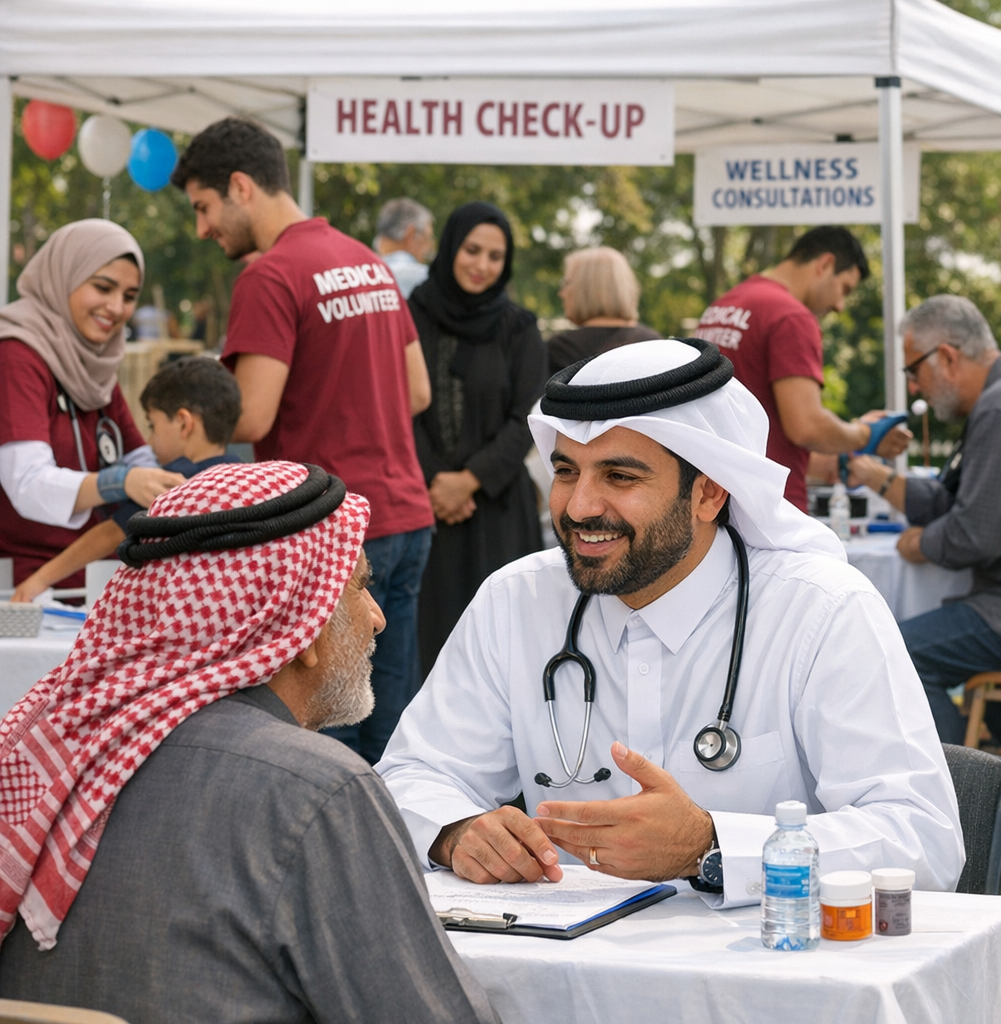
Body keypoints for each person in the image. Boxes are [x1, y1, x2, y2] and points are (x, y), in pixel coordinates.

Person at [378, 338, 964, 908]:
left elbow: (922, 838)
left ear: (709, 493)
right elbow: (411, 774)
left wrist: (709, 847)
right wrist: (455, 831)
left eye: (620, 476)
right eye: (566, 471)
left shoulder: (821, 610)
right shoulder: (516, 600)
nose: (579, 507)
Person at [0, 462, 499, 1024]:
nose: (378, 619)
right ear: (304, 625)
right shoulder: (318, 791)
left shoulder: (44, 756)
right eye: (361, 588)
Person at [172, 118, 435, 765]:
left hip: (333, 532)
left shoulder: (270, 275)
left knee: (321, 737)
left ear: (240, 186)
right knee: (392, 732)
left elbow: (252, 416)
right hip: (406, 515)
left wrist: (182, 419)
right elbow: (417, 391)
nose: (202, 229)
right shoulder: (367, 261)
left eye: (204, 207)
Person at [849, 296, 1001, 765]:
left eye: (914, 370)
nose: (913, 386)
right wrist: (882, 479)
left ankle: (962, 795)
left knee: (896, 653)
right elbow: (957, 502)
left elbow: (976, 534)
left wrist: (921, 544)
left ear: (946, 356)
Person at [0, 220, 185, 590]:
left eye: (129, 296)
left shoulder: (95, 363)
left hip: (100, 580)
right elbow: (28, 484)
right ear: (64, 277)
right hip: (30, 587)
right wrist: (120, 482)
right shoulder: (16, 356)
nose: (116, 307)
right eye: (102, 287)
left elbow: (138, 459)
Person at [408, 202, 547, 676]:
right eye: (472, 250)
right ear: (450, 247)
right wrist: (438, 482)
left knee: (501, 652)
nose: (481, 265)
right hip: (427, 506)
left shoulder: (519, 328)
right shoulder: (410, 318)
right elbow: (400, 407)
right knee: (429, 651)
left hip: (496, 509)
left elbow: (526, 419)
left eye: (495, 256)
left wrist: (468, 480)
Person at [693, 226, 910, 511]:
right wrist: (866, 434)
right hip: (769, 510)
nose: (840, 305)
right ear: (825, 264)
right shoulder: (791, 316)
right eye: (844, 288)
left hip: (714, 500)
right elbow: (806, 427)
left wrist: (835, 459)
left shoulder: (722, 307)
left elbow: (752, 429)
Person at [11, 356, 242, 602]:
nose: (149, 441)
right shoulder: (241, 476)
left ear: (184, 424)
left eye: (152, 425)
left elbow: (110, 535)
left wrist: (39, 580)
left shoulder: (172, 483)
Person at [546, 246, 660, 374]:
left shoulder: (562, 349)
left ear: (585, 288)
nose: (561, 293)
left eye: (566, 283)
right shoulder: (654, 343)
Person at [374, 197, 435, 298]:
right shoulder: (424, 278)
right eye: (427, 238)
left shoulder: (361, 275)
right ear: (411, 234)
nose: (429, 246)